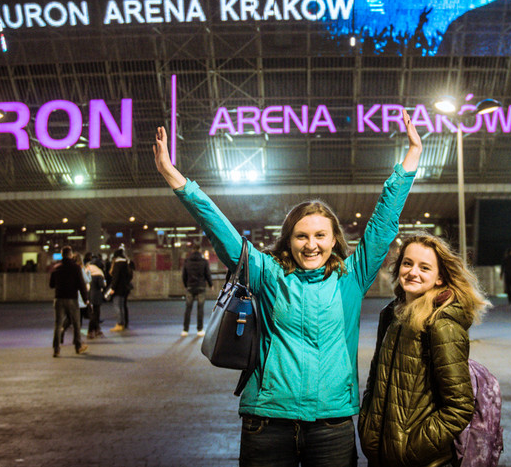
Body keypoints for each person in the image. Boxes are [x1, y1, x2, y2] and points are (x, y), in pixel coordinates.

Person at [153, 109, 422, 467]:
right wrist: (177, 180)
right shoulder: (267, 273)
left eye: (320, 236)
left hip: (331, 423)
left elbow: (384, 224)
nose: (311, 245)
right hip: (267, 422)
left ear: (334, 239)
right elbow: (221, 231)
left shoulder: (352, 277)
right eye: (302, 236)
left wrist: (410, 160)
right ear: (289, 240)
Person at [359, 233, 489, 467]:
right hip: (379, 456)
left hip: (419, 460)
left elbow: (459, 406)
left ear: (440, 278)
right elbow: (375, 379)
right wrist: (367, 425)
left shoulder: (442, 324)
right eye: (407, 263)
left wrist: (413, 448)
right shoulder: (390, 314)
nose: (412, 272)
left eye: (425, 267)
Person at [49, 246, 89, 357]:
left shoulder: (56, 267)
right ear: (70, 255)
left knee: (58, 324)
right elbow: (81, 284)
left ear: (62, 255)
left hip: (59, 299)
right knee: (76, 323)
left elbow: (51, 285)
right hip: (72, 298)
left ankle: (56, 349)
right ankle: (78, 346)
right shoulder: (76, 268)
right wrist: (85, 299)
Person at [181, 246, 213, 336]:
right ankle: (200, 329)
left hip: (190, 287)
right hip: (201, 287)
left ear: (192, 250)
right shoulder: (204, 262)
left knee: (188, 309)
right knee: (200, 309)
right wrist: (211, 285)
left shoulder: (187, 261)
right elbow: (207, 274)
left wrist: (186, 285)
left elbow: (184, 275)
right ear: (200, 251)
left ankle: (185, 330)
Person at [105, 249, 133, 332]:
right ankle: (123, 323)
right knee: (122, 306)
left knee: (117, 306)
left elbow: (115, 278)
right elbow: (129, 276)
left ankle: (119, 324)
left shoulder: (118, 264)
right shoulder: (126, 264)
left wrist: (112, 288)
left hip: (118, 289)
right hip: (124, 288)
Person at [84, 252, 106, 339]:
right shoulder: (99, 273)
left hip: (89, 295)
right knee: (95, 314)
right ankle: (91, 331)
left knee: (93, 313)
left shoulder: (87, 271)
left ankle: (97, 329)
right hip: (96, 296)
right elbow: (102, 285)